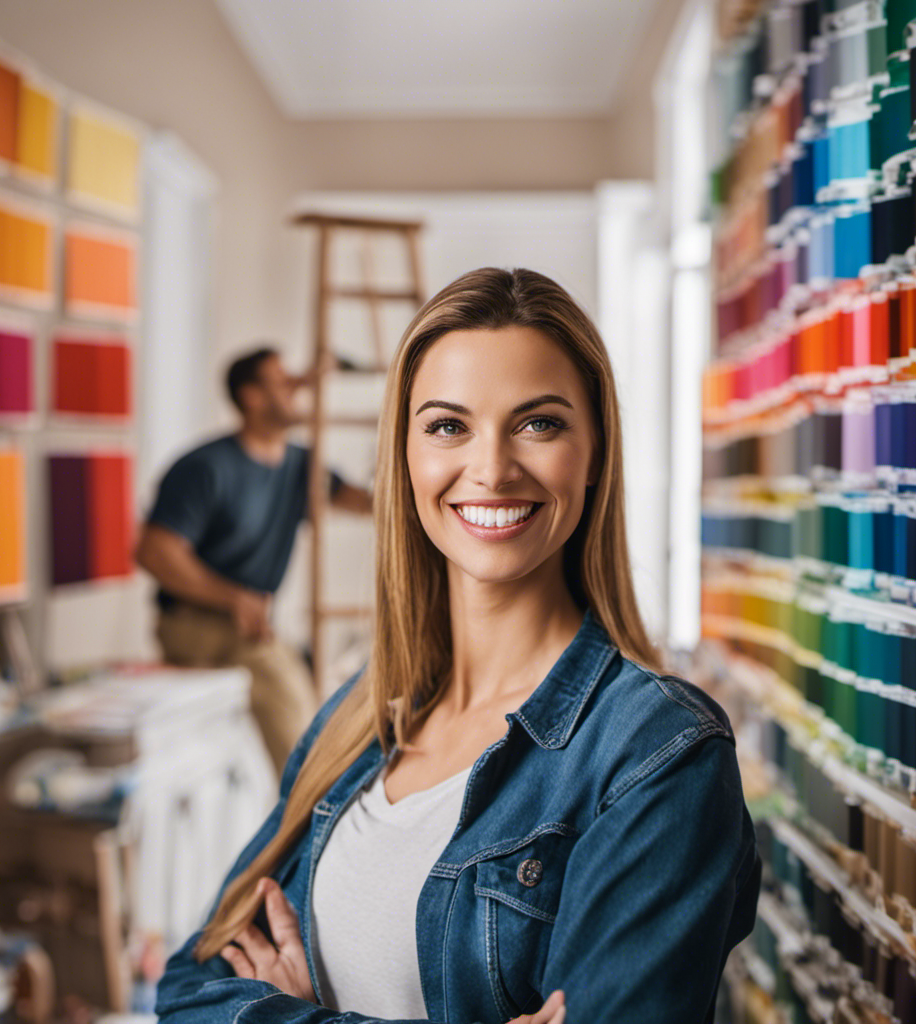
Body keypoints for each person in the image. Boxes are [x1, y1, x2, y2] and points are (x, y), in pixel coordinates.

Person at [154, 269, 761, 1024]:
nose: (492, 468)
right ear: (404, 456)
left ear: (596, 451)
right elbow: (188, 989)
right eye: (448, 426)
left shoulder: (658, 754)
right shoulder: (356, 718)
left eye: (539, 423)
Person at [136, 347, 372, 776]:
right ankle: (309, 814)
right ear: (252, 397)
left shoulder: (301, 465)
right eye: (282, 380)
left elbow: (362, 502)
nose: (297, 384)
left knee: (322, 689)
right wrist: (233, 599)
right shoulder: (206, 467)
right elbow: (155, 552)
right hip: (196, 625)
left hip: (250, 624)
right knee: (294, 704)